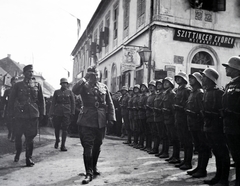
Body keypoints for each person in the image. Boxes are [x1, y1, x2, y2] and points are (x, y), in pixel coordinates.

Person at [72, 65, 116, 184]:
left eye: (97, 74)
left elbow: (110, 103)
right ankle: (88, 173)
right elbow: (74, 90)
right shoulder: (83, 86)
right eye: (92, 74)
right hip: (87, 119)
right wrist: (84, 79)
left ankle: (94, 167)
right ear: (88, 75)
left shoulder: (103, 87)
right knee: (88, 146)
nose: (95, 77)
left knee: (98, 145)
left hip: (100, 120)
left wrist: (111, 118)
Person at [7, 65, 45, 167]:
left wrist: (42, 113)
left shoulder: (37, 85)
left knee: (30, 137)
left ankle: (29, 158)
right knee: (18, 136)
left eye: (32, 71)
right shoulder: (17, 85)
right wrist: (10, 114)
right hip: (20, 114)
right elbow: (11, 101)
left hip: (33, 114)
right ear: (24, 73)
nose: (31, 73)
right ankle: (18, 152)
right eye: (28, 72)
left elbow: (41, 100)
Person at [201, 68, 230, 186]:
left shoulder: (218, 93)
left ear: (209, 79)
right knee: (217, 152)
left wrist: (211, 114)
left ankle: (224, 179)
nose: (201, 79)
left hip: (217, 127)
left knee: (223, 152)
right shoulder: (207, 92)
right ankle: (218, 176)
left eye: (203, 77)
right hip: (209, 126)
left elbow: (221, 112)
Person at [186, 72, 210, 178]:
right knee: (199, 147)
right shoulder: (193, 92)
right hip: (192, 123)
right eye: (190, 78)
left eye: (193, 78)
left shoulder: (199, 93)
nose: (190, 80)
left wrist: (193, 114)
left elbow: (201, 111)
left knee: (203, 147)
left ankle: (202, 169)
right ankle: (199, 167)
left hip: (198, 124)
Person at [222, 56, 240, 186]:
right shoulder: (230, 84)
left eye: (228, 66)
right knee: (234, 153)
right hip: (228, 124)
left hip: (237, 125)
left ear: (235, 69)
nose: (226, 69)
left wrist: (231, 113)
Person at [49, 78, 75, 151]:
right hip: (57, 112)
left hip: (67, 112)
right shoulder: (56, 92)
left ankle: (63, 145)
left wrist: (72, 112)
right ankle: (57, 140)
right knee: (57, 128)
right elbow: (53, 103)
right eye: (63, 83)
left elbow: (73, 103)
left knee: (65, 129)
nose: (64, 85)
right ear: (61, 84)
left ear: (67, 84)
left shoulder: (70, 92)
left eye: (65, 83)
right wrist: (51, 113)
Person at [174, 72, 193, 170]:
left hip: (184, 118)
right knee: (183, 141)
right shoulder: (178, 90)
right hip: (179, 118)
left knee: (187, 141)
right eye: (176, 78)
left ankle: (188, 162)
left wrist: (180, 107)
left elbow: (188, 104)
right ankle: (184, 161)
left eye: (179, 78)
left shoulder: (187, 90)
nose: (177, 79)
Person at [162, 77, 181, 164]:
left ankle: (176, 156)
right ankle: (173, 156)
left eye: (167, 82)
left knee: (175, 138)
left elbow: (173, 108)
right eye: (164, 82)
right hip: (167, 118)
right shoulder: (166, 93)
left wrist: (170, 112)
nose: (165, 84)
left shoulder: (172, 94)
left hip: (171, 118)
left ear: (171, 84)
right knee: (171, 138)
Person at [153, 79, 167, 158]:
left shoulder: (164, 94)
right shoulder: (158, 94)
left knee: (164, 135)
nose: (158, 86)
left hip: (162, 117)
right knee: (159, 134)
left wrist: (159, 110)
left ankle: (165, 152)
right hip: (157, 117)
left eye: (160, 84)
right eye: (157, 84)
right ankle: (160, 150)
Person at [2, 77, 16, 142]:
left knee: (14, 122)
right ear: (11, 83)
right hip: (9, 108)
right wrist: (5, 104)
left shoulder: (18, 91)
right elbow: (3, 99)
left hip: (16, 108)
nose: (14, 83)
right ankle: (10, 131)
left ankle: (13, 135)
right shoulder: (7, 91)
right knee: (8, 122)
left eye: (15, 82)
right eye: (13, 82)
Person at [145, 81, 157, 153]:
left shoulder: (156, 95)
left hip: (153, 116)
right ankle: (148, 146)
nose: (150, 87)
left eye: (152, 86)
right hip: (148, 116)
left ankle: (154, 148)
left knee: (154, 133)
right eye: (149, 86)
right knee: (148, 132)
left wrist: (150, 108)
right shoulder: (149, 96)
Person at [137, 83, 148, 150]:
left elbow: (146, 106)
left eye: (144, 87)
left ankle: (144, 145)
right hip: (140, 114)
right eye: (141, 87)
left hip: (144, 115)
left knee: (145, 131)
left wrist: (142, 107)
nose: (142, 88)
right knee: (141, 130)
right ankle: (140, 144)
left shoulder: (147, 96)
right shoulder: (141, 96)